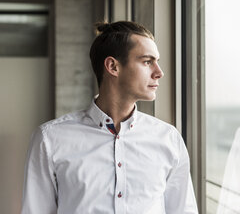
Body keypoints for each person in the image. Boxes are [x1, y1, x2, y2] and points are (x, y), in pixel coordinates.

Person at [21, 21, 198, 214]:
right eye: (147, 62)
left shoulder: (169, 139)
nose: (159, 72)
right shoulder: (50, 139)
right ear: (113, 66)